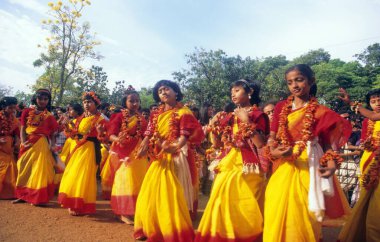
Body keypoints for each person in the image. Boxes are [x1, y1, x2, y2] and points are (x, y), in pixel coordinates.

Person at [263, 64, 351, 242]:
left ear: (311, 81)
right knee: (275, 204)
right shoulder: (281, 107)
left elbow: (327, 144)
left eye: (299, 80)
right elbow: (271, 137)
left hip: (309, 163)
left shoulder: (321, 112)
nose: (294, 85)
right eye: (289, 82)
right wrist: (274, 150)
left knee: (303, 208)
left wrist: (332, 164)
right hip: (284, 163)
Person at [195, 79, 269, 241]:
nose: (232, 94)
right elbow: (218, 144)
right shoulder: (228, 117)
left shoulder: (259, 115)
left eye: (237, 90)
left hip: (248, 165)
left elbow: (260, 143)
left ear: (249, 92)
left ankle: (246, 235)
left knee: (245, 203)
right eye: (232, 91)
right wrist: (213, 127)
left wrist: (247, 121)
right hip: (229, 160)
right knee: (222, 199)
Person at [133, 80, 204, 241]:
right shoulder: (156, 113)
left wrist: (175, 147)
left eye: (167, 89)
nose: (163, 93)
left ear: (176, 92)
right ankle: (152, 227)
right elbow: (149, 132)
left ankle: (171, 229)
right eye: (160, 91)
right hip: (159, 156)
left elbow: (185, 135)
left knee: (172, 192)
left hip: (176, 157)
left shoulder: (184, 111)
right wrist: (144, 145)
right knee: (152, 190)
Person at [338, 88, 380, 241]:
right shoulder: (368, 121)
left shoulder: (372, 116)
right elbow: (364, 142)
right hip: (370, 162)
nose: (377, 104)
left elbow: (374, 115)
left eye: (379, 101)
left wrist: (351, 103)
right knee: (367, 200)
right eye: (373, 101)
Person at [58, 91, 106, 215]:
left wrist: (100, 133)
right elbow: (73, 133)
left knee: (84, 176)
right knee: (73, 174)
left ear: (96, 103)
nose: (86, 104)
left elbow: (105, 137)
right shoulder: (81, 118)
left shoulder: (101, 118)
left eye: (89, 102)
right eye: (84, 102)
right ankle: (72, 202)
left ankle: (80, 204)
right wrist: (66, 126)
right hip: (78, 150)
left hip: (90, 150)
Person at [106, 86, 148, 224]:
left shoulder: (142, 119)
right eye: (132, 101)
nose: (135, 103)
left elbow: (146, 135)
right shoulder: (117, 117)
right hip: (122, 152)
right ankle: (123, 212)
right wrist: (118, 139)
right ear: (125, 102)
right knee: (125, 180)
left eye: (137, 101)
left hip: (137, 153)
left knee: (139, 180)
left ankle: (136, 210)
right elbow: (110, 134)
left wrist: (145, 146)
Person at [13, 89, 59, 205]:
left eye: (45, 99)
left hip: (42, 143)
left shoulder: (49, 116)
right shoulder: (27, 111)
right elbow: (23, 128)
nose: (43, 101)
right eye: (40, 98)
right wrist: (23, 142)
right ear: (35, 98)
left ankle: (38, 198)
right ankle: (23, 195)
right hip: (28, 143)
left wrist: (52, 144)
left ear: (48, 101)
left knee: (40, 170)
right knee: (24, 167)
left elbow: (54, 133)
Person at [0, 97, 19, 199]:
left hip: (9, 147)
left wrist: (17, 141)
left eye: (13, 108)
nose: (12, 110)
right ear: (3, 107)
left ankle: (9, 192)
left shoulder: (14, 119)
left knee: (11, 166)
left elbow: (16, 133)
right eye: (10, 108)